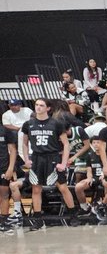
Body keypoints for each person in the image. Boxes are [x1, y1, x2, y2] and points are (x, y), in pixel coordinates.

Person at [19, 97, 81, 228]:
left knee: (63, 187)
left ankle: (73, 215)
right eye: (36, 105)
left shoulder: (56, 124)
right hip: (36, 158)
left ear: (48, 108)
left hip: (52, 157)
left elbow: (65, 144)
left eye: (41, 105)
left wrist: (63, 163)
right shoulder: (28, 124)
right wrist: (26, 159)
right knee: (36, 189)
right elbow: (24, 144)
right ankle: (38, 219)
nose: (38, 107)